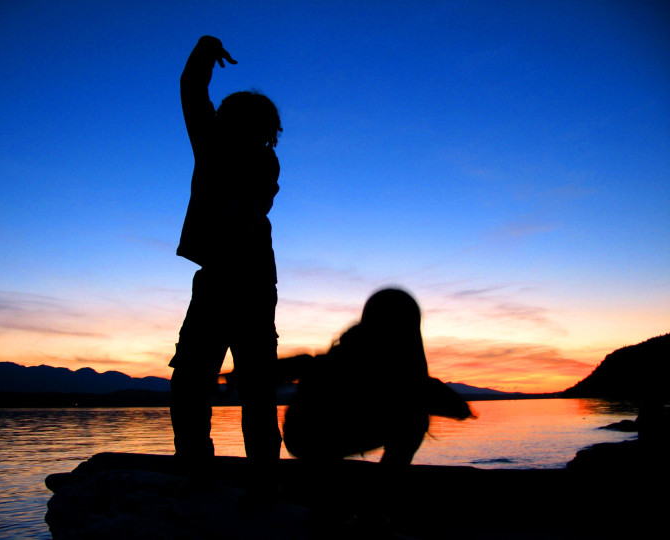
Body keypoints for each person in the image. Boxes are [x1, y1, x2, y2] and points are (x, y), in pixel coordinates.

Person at [169, 35, 283, 493]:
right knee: (197, 381)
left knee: (249, 385)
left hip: (245, 281)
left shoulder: (258, 161)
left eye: (225, 115)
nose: (214, 118)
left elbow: (193, 95)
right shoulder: (223, 148)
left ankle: (260, 479)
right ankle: (200, 469)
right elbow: (193, 92)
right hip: (226, 279)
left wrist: (202, 53)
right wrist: (202, 50)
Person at [282, 288, 473, 530]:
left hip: (311, 435)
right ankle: (365, 511)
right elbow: (436, 396)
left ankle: (333, 506)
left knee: (410, 418)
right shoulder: (383, 361)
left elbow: (303, 364)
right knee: (414, 423)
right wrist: (460, 409)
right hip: (314, 436)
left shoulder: (348, 348)